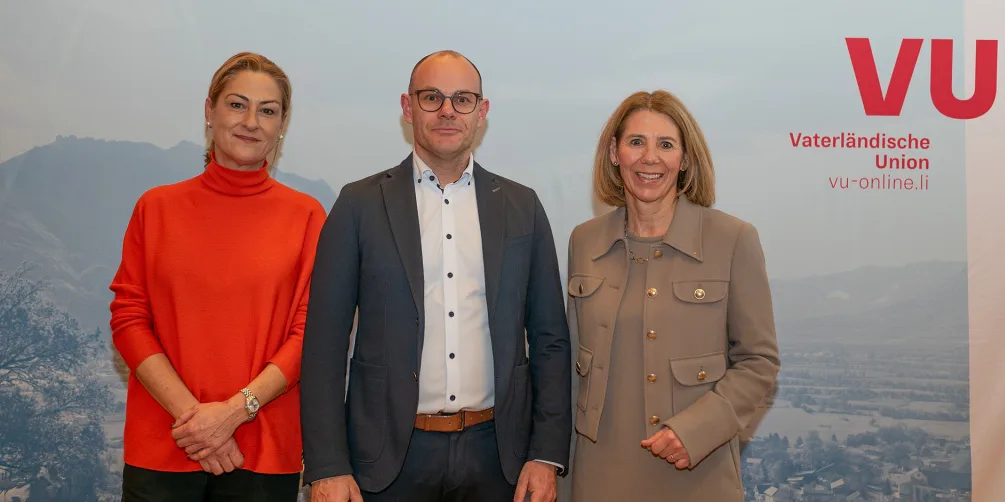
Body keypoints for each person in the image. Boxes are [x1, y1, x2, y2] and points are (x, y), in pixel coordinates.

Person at [300, 50, 572, 502]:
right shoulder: (358, 205)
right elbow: (325, 342)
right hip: (386, 459)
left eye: (462, 99)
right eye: (432, 97)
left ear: (481, 113)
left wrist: (544, 455)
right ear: (408, 108)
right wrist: (327, 465)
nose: (447, 110)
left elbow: (550, 340)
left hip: (498, 456)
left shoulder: (522, 207)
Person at [108, 52, 326, 501]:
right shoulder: (157, 208)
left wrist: (233, 413)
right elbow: (129, 320)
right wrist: (198, 420)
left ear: (282, 125)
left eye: (267, 110)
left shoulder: (307, 216)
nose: (251, 121)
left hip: (264, 451)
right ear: (209, 111)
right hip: (166, 443)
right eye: (236, 104)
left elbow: (312, 332)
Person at [565, 90, 780, 501]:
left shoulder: (733, 239)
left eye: (666, 144)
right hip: (597, 476)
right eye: (635, 142)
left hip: (696, 471)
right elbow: (569, 367)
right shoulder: (583, 240)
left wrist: (696, 431)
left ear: (685, 159)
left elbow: (759, 361)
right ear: (614, 153)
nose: (650, 158)